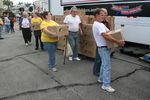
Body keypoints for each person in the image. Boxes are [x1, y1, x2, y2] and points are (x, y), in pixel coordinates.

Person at [92, 8, 125, 92]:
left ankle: (101, 79)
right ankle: (106, 85)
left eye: (104, 15)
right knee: (107, 67)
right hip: (103, 48)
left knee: (104, 65)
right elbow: (105, 36)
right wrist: (118, 41)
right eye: (101, 15)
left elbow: (109, 32)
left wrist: (118, 36)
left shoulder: (101, 24)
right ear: (96, 15)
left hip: (103, 48)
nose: (104, 16)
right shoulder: (98, 24)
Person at [93, 8, 110, 76]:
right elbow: (104, 34)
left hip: (104, 43)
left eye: (105, 14)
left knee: (102, 61)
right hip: (100, 44)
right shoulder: (98, 23)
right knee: (98, 59)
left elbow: (109, 30)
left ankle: (100, 74)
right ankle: (96, 71)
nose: (104, 15)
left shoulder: (105, 22)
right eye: (103, 14)